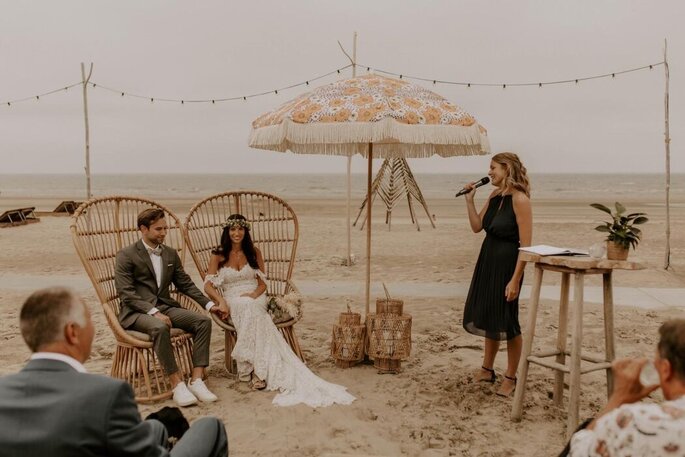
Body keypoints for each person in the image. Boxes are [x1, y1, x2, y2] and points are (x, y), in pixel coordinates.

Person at [0, 287, 229, 457]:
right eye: (89, 320)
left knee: (156, 428)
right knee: (210, 427)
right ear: (72, 333)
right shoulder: (106, 394)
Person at [203, 214, 355, 408]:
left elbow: (262, 285)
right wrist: (221, 300)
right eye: (232, 229)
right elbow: (208, 286)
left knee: (251, 307)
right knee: (250, 311)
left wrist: (253, 295)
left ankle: (252, 369)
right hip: (232, 297)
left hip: (255, 296)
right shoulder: (218, 254)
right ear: (227, 231)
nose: (236, 233)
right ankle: (258, 369)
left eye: (240, 229)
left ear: (246, 231)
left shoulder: (254, 252)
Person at [115, 208, 229, 407]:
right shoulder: (126, 255)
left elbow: (185, 284)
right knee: (160, 327)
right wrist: (154, 312)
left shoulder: (169, 254)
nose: (163, 233)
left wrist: (211, 305)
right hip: (136, 312)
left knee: (202, 322)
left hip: (165, 306)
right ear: (143, 228)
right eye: (158, 229)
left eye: (165, 228)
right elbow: (127, 293)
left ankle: (196, 380)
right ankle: (177, 384)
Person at [461, 152, 532, 397]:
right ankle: (487, 369)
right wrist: (469, 201)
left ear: (507, 168)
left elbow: (526, 245)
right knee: (489, 314)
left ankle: (511, 376)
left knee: (508, 320)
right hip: (487, 261)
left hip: (507, 266)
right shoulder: (493, 195)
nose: (489, 172)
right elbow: (476, 227)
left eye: (493, 168)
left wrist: (515, 279)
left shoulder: (520, 199)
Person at [567, 319, 685, 456]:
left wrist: (619, 398)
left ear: (665, 369)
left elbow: (577, 452)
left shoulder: (635, 422)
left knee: (587, 428)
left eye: (656, 364)